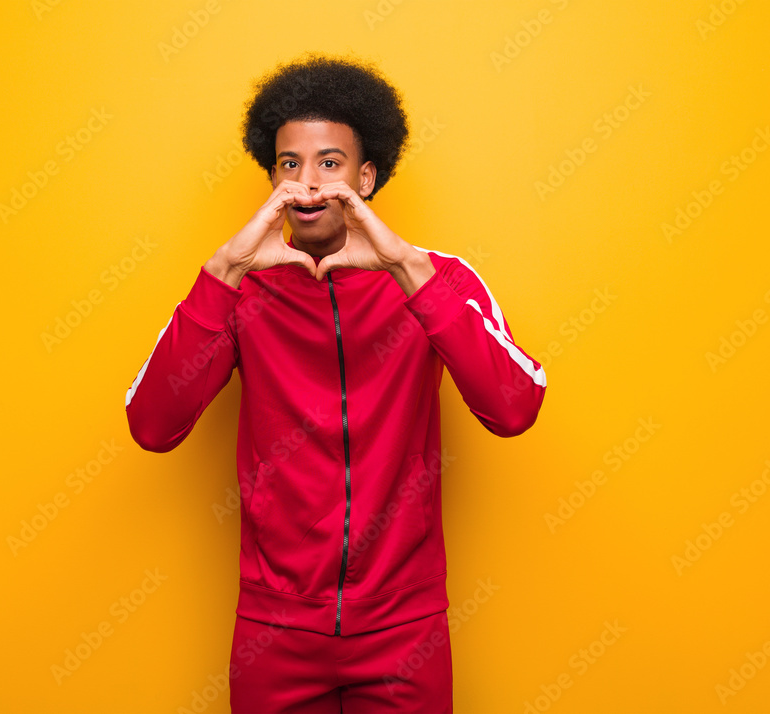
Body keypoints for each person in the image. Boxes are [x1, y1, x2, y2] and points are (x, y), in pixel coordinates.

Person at [125, 52, 547, 713]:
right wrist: (223, 272)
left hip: (405, 629)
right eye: (290, 164)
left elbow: (513, 407)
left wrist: (407, 271)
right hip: (276, 630)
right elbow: (152, 425)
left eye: (330, 163)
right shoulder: (238, 289)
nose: (309, 183)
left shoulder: (436, 279)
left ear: (367, 175)